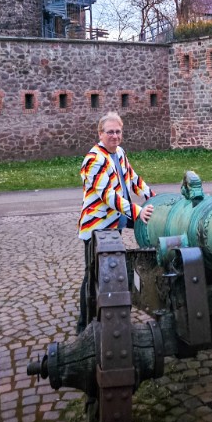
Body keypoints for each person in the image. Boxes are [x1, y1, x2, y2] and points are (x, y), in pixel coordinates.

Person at [76, 111, 154, 333]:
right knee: (92, 276)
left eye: (118, 131)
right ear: (100, 134)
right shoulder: (93, 159)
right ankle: (83, 326)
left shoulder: (119, 153)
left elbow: (133, 178)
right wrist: (137, 211)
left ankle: (106, 316)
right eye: (110, 132)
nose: (114, 136)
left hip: (113, 225)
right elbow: (108, 196)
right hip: (96, 227)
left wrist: (152, 195)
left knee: (108, 273)